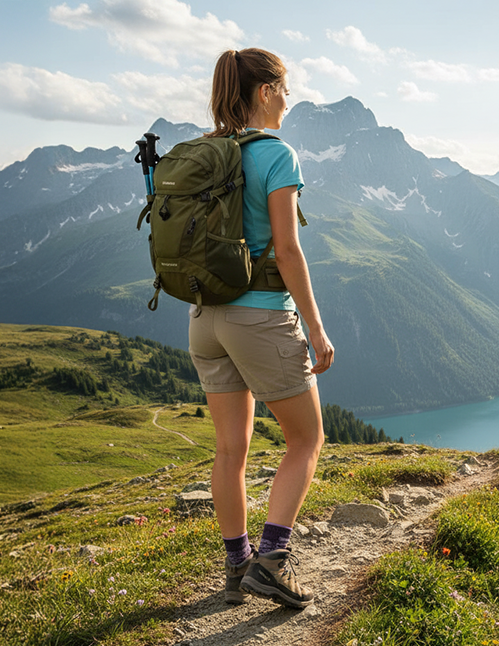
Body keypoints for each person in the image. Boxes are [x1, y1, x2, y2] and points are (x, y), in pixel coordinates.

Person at [188, 48, 334, 609]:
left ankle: (236, 566)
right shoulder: (276, 155)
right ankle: (272, 561)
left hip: (205, 317)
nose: (290, 99)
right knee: (307, 438)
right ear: (266, 91)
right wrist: (315, 330)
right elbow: (289, 251)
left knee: (230, 450)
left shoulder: (208, 151)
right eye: (286, 89)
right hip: (261, 315)